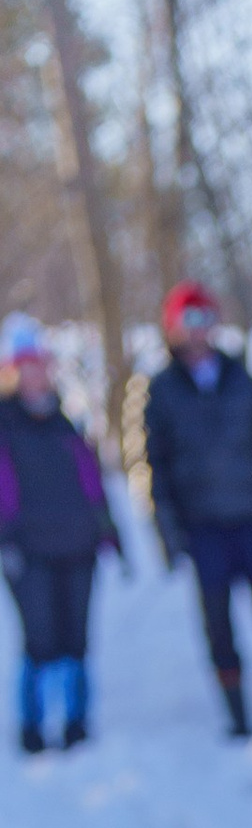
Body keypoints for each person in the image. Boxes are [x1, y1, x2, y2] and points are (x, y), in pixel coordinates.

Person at [141, 282, 252, 737]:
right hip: (204, 531)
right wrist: (169, 533)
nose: (198, 330)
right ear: (173, 328)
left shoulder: (243, 381)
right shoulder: (162, 390)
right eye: (188, 320)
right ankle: (239, 721)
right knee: (218, 630)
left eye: (205, 319)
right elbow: (156, 470)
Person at [0, 315, 122, 752]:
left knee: (76, 638)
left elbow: (90, 482)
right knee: (40, 639)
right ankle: (32, 726)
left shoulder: (67, 422)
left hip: (78, 546)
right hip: (29, 551)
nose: (35, 374)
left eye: (41, 365)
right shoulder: (5, 424)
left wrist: (108, 531)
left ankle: (76, 722)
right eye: (25, 366)